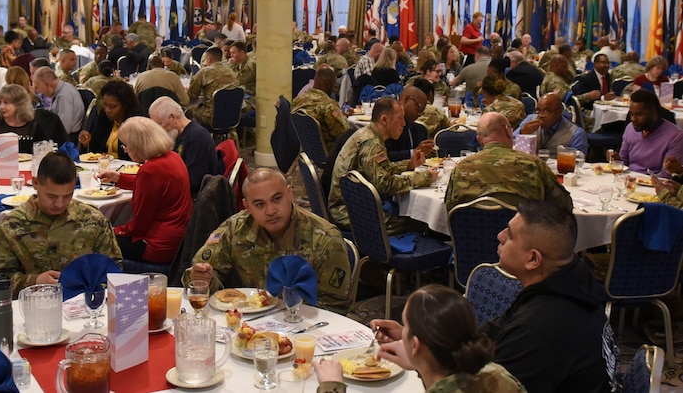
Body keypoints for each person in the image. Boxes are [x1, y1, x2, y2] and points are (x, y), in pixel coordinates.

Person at [480, 199, 621, 393]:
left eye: (510, 235)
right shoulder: (571, 282)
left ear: (533, 259)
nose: (500, 236)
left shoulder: (536, 330)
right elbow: (494, 330)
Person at [187, 168, 351, 313]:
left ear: (289, 193)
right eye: (259, 204)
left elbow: (334, 307)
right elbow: (199, 276)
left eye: (277, 199)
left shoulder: (325, 238)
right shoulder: (234, 229)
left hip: (305, 326)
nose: (271, 210)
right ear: (247, 206)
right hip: (250, 320)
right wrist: (202, 279)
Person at [315, 285, 524, 393]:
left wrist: (332, 385)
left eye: (406, 327)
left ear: (415, 345)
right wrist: (421, 362)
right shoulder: (498, 375)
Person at [0, 152, 122, 298]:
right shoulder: (12, 226)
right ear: (36, 184)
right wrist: (34, 281)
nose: (59, 204)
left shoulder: (92, 220)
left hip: (84, 307)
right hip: (32, 308)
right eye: (52, 196)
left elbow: (113, 270)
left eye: (67, 195)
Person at [329, 97, 435, 235]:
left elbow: (379, 171)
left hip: (351, 205)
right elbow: (385, 185)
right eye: (400, 118)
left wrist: (408, 165)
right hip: (349, 212)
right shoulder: (372, 144)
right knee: (420, 222)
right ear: (384, 120)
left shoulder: (368, 134)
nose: (404, 124)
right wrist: (426, 177)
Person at [94, 117, 192, 263]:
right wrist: (118, 178)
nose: (126, 150)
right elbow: (154, 185)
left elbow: (139, 225)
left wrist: (115, 230)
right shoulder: (173, 157)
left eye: (126, 145)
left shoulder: (150, 170)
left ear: (137, 145)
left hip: (158, 245)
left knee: (96, 239)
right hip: (180, 239)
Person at [445, 112, 572, 212]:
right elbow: (564, 205)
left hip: (471, 241)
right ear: (507, 130)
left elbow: (451, 207)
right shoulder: (533, 164)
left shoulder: (461, 168)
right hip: (524, 241)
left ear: (479, 139)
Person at [149, 96, 219, 196]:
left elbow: (194, 182)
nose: (158, 130)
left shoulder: (196, 138)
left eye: (159, 124)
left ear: (173, 117)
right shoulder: (179, 135)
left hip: (195, 199)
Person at [0, 85, 68, 154]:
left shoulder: (34, 125)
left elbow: (42, 152)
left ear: (19, 105)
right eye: (0, 102)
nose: (1, 107)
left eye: (6, 103)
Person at [619, 89, 683, 177]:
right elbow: (622, 162)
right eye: (631, 114)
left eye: (639, 114)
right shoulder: (630, 128)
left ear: (653, 113)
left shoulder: (676, 136)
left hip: (654, 185)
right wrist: (615, 160)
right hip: (628, 180)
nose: (633, 119)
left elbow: (667, 175)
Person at [79, 80, 144, 160]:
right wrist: (87, 142)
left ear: (125, 105)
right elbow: (95, 148)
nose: (108, 110)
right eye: (105, 105)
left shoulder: (137, 122)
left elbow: (139, 156)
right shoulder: (104, 116)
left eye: (113, 106)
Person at [291, 66, 349, 153]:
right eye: (334, 85)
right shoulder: (328, 106)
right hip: (330, 154)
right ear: (328, 84)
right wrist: (343, 117)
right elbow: (343, 133)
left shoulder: (298, 100)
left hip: (307, 150)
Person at [515, 93, 588, 156]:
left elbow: (579, 164)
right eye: (539, 110)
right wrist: (522, 133)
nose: (541, 115)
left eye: (547, 111)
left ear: (559, 112)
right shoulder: (530, 120)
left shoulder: (576, 134)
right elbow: (508, 144)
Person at [187, 47, 238, 128]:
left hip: (210, 116)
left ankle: (197, 138)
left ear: (208, 59)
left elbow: (192, 95)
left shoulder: (205, 72)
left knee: (188, 112)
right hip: (231, 116)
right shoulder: (231, 72)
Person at [32, 66, 84, 141]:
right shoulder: (63, 88)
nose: (37, 91)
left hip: (67, 140)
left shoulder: (64, 96)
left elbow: (64, 129)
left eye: (37, 87)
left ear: (46, 84)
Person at [385, 85, 435, 162]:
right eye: (419, 108)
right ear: (406, 99)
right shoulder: (387, 125)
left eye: (422, 110)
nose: (420, 114)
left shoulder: (421, 131)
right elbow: (384, 156)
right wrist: (413, 152)